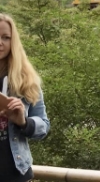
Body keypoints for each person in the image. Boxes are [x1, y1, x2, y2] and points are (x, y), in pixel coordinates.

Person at [0, 14, 50, 182]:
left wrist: (24, 122)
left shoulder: (26, 79)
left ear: (12, 42)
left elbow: (44, 127)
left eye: (5, 37)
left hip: (16, 174)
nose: (0, 42)